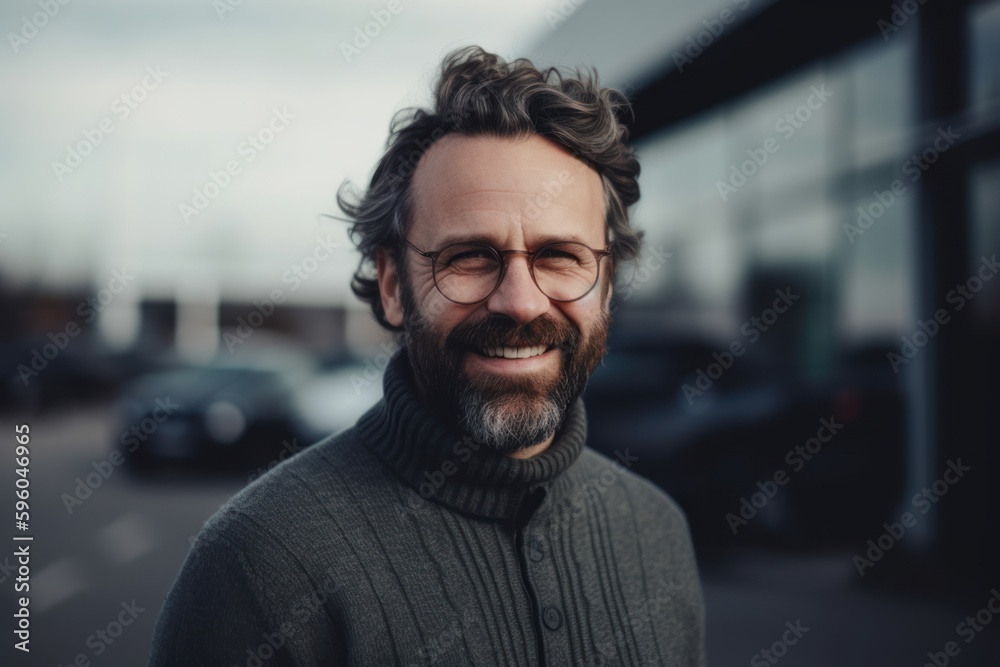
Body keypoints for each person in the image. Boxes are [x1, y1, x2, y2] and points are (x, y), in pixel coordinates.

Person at [149, 45, 706, 666]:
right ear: (393, 286)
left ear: (606, 283)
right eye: (469, 256)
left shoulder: (658, 533)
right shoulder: (258, 563)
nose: (521, 303)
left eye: (559, 256)